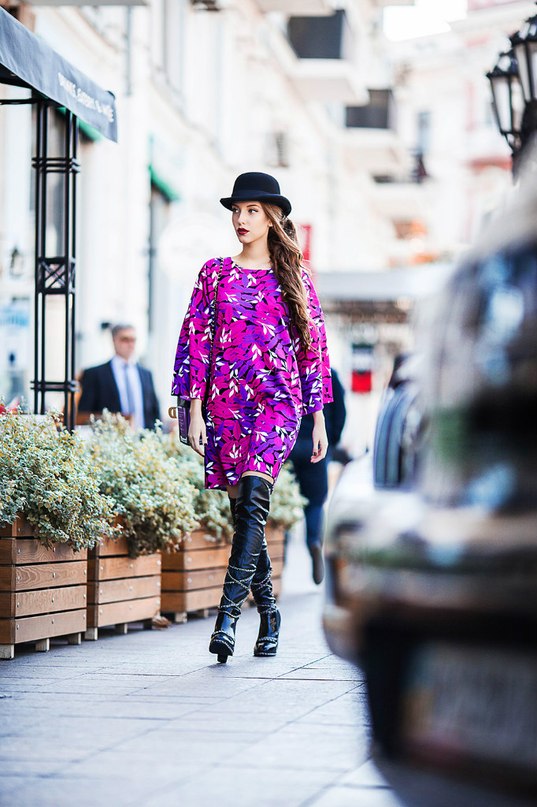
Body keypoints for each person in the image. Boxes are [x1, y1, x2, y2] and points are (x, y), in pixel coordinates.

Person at [171, 171, 333, 663]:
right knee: (246, 511)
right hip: (224, 403)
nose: (241, 219)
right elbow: (195, 342)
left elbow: (313, 350)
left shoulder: (296, 277)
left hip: (277, 402)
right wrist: (193, 410)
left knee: (255, 494)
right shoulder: (214, 273)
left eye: (252, 211)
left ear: (272, 218)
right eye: (237, 211)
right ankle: (270, 612)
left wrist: (318, 418)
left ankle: (226, 619)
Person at [288, 367, 346, 585]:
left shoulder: (284, 365)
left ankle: (280, 552)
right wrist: (332, 440)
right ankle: (313, 542)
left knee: (283, 500)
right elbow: (340, 411)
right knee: (315, 502)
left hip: (287, 444)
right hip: (317, 445)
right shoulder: (327, 372)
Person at [78, 324, 160, 430]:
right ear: (114, 340)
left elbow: (154, 411)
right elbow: (84, 415)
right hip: (109, 437)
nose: (130, 344)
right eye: (125, 339)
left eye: (133, 340)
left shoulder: (146, 374)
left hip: (144, 437)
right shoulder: (94, 374)